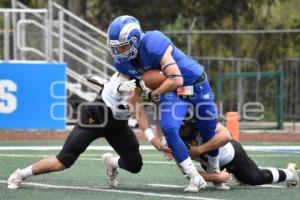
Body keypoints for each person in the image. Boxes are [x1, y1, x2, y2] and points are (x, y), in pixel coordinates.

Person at [107, 15, 221, 192]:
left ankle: (214, 167)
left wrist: (153, 94)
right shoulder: (123, 64)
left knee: (208, 128)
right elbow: (134, 102)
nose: (118, 52)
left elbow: (177, 79)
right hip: (172, 92)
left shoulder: (153, 42)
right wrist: (152, 137)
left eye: (122, 46)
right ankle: (194, 177)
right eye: (115, 48)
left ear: (135, 40)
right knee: (169, 128)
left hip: (193, 85)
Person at [7, 73, 146, 189]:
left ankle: (112, 162)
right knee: (63, 160)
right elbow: (116, 88)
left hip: (117, 125)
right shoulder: (121, 80)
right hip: (94, 119)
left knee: (135, 164)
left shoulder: (148, 83)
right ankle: (20, 174)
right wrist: (120, 87)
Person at [179, 120, 299, 188]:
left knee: (255, 178)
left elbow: (226, 135)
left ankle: (290, 173)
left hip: (232, 155)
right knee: (244, 175)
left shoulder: (200, 120)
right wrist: (216, 177)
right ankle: (242, 173)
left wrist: (199, 149)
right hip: (209, 163)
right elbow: (187, 172)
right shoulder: (172, 138)